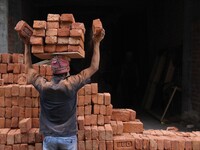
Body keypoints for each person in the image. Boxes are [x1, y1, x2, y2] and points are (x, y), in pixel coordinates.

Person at [23, 28, 105, 150]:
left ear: (53, 70)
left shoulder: (44, 86)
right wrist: (97, 43)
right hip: (68, 136)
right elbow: (94, 67)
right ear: (67, 70)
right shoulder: (71, 84)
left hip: (49, 137)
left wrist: (26, 44)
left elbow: (28, 70)